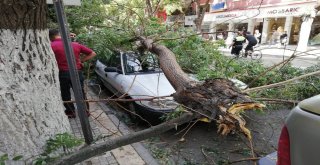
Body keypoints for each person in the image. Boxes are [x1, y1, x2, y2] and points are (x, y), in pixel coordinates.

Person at [49, 29, 96, 118]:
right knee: (80, 92)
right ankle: (85, 112)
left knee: (65, 93)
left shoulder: (51, 46)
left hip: (62, 73)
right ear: (60, 34)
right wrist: (82, 61)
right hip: (76, 72)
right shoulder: (75, 45)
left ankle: (71, 112)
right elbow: (92, 53)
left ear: (51, 37)